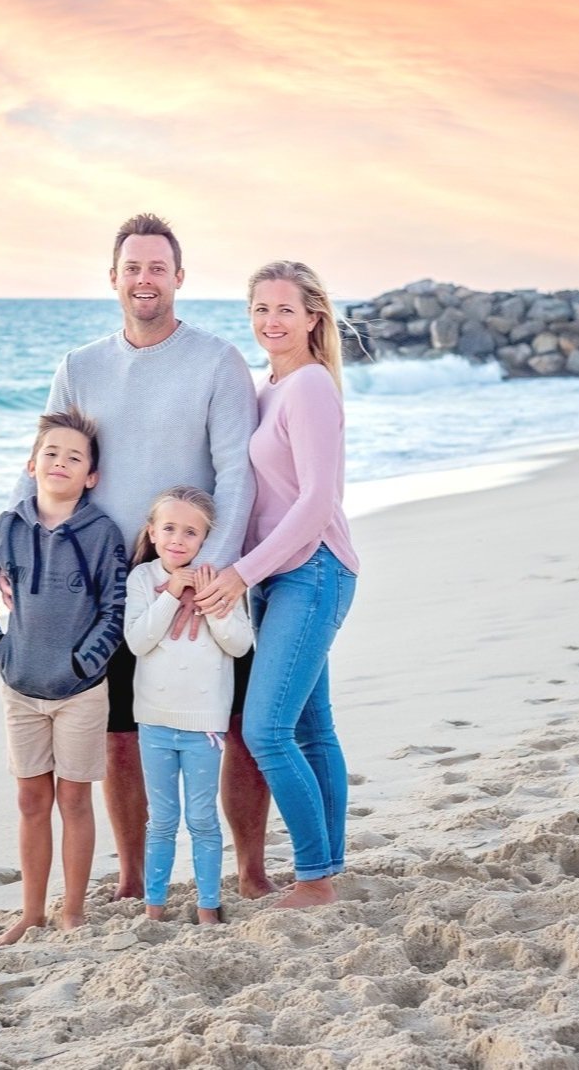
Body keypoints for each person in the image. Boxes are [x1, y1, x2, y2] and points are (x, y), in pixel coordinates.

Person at [6, 213, 272, 901]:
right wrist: (15, 546)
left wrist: (204, 574)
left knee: (234, 728)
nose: (144, 279)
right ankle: (131, 880)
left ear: (178, 278)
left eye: (157, 267)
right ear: (113, 278)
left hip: (202, 577)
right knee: (121, 735)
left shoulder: (216, 361)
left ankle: (249, 870)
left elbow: (235, 474)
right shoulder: (80, 367)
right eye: (133, 267)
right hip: (104, 585)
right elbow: (42, 463)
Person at [196, 261, 359, 910]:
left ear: (312, 317)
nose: (270, 322)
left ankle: (314, 878)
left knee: (266, 731)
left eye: (284, 310)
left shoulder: (312, 386)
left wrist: (241, 573)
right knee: (312, 728)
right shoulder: (269, 389)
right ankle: (328, 869)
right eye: (259, 310)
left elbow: (317, 501)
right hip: (276, 576)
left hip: (312, 571)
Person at [0, 407, 127, 942]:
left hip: (81, 692)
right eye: (51, 453)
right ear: (31, 464)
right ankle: (31, 912)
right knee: (31, 801)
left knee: (75, 800)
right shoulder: (7, 529)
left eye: (74, 457)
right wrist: (0, 650)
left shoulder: (103, 534)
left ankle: (73, 910)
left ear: (91, 476)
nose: (61, 462)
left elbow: (114, 610)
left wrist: (86, 661)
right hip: (21, 690)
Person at [124, 487, 253, 925]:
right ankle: (155, 908)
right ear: (153, 532)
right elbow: (138, 641)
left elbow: (239, 644)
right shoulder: (142, 579)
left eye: (191, 532)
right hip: (154, 722)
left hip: (205, 726)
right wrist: (169, 593)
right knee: (161, 821)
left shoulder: (221, 580)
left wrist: (209, 602)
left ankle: (208, 908)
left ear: (205, 540)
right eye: (170, 528)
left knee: (202, 819)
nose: (179, 539)